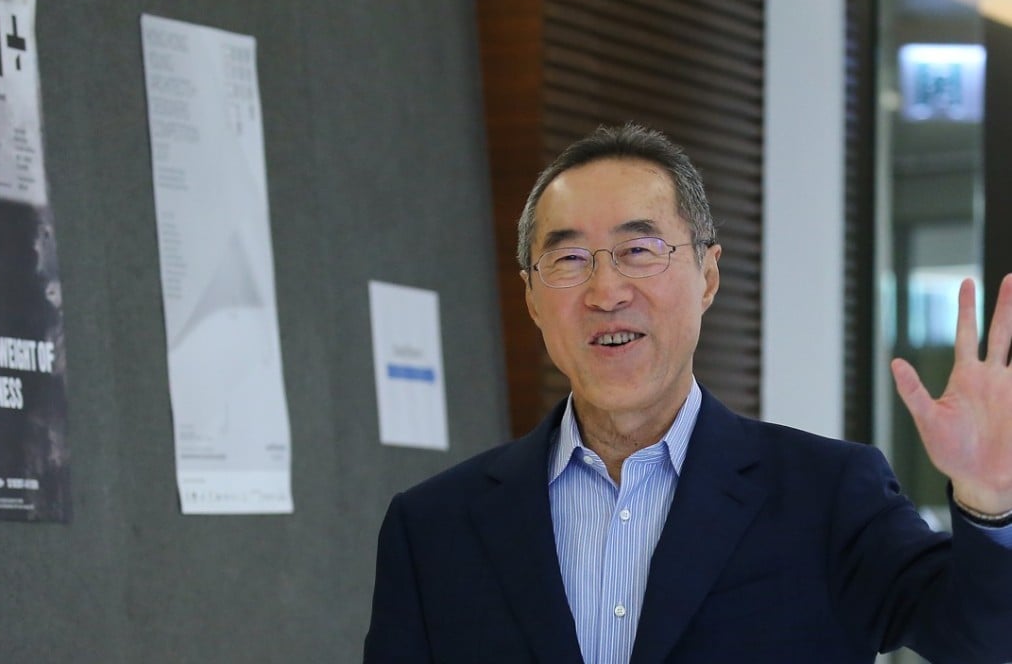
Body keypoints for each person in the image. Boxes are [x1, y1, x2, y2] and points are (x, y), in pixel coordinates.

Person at [364, 123, 1012, 663]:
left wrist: (989, 501)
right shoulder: (434, 529)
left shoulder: (828, 494)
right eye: (568, 259)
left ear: (708, 275)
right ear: (531, 297)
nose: (606, 292)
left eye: (639, 250)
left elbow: (984, 641)